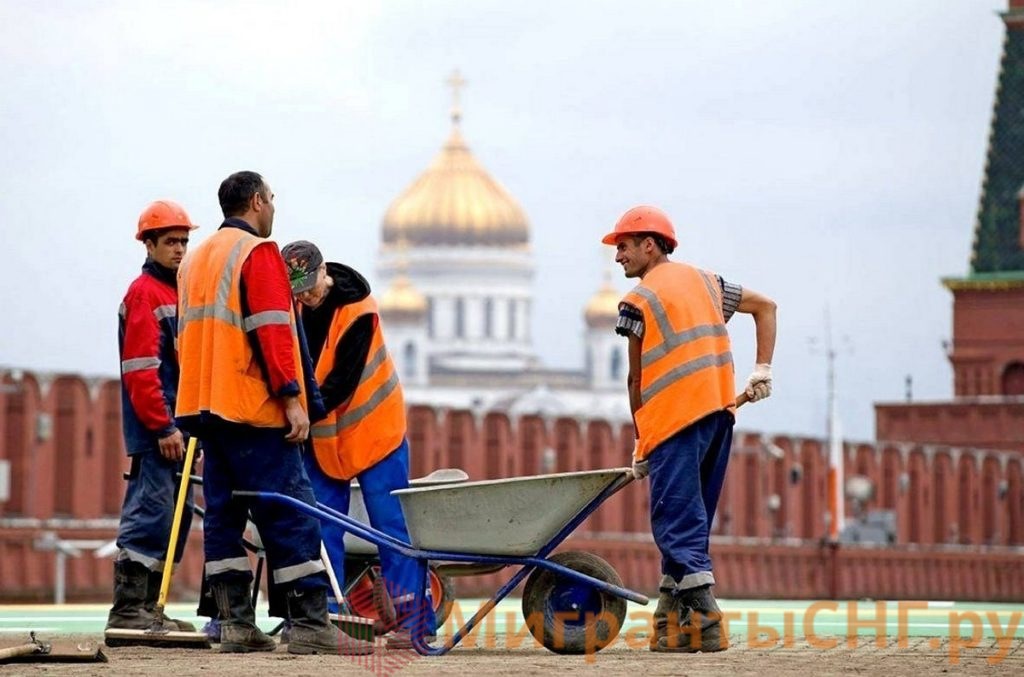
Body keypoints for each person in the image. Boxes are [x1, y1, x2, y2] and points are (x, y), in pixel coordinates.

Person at [175, 171, 373, 656]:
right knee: (289, 512)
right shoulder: (257, 254)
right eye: (273, 200)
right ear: (258, 201)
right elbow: (272, 330)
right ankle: (308, 624)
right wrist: (292, 398)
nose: (275, 209)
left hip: (204, 408)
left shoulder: (194, 259)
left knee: (223, 516)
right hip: (252, 409)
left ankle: (236, 624)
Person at [603, 205, 777, 653]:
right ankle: (671, 624)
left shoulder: (636, 302)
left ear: (650, 244)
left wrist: (642, 443)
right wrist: (762, 370)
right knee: (690, 522)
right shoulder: (708, 282)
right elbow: (767, 307)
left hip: (675, 422)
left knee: (675, 522)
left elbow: (636, 379)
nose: (617, 256)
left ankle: (706, 621)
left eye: (623, 246)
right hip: (719, 416)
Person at [280, 240, 436, 649]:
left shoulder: (359, 312)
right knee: (320, 524)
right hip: (326, 437)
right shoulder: (294, 308)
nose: (305, 297)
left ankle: (416, 625)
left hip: (375, 431)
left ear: (323, 273)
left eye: (309, 288)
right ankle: (329, 621)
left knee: (391, 527)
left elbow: (339, 385)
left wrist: (296, 414)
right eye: (296, 292)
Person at [107, 200, 199, 636]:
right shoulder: (145, 294)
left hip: (180, 429)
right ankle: (129, 610)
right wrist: (162, 426)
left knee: (173, 520)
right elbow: (142, 369)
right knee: (151, 514)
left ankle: (151, 609)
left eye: (184, 241)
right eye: (171, 242)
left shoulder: (178, 292)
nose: (180, 249)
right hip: (158, 431)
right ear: (149, 244)